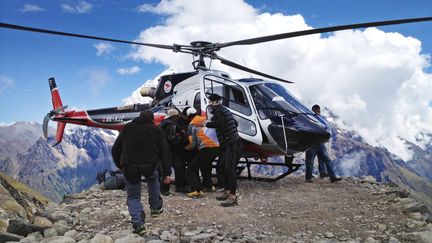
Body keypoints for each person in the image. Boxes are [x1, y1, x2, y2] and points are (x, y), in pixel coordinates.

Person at [111, 110, 171, 236]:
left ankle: (138, 224)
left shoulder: (127, 127)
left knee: (133, 196)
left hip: (130, 166)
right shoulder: (156, 130)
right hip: (150, 165)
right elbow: (164, 152)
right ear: (151, 119)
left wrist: (119, 165)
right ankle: (155, 208)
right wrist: (166, 173)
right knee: (153, 179)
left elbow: (115, 148)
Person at [204, 93, 243, 207]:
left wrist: (208, 124)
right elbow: (234, 123)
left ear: (214, 102)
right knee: (221, 166)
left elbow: (220, 123)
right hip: (228, 143)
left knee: (229, 168)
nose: (209, 104)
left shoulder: (219, 111)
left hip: (231, 143)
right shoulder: (224, 110)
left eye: (210, 102)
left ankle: (233, 196)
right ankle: (227, 190)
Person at [184, 108, 219, 198]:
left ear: (188, 116)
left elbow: (193, 144)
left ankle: (197, 190)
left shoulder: (191, 126)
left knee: (190, 169)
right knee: (205, 166)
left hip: (206, 148)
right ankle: (209, 186)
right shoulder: (205, 120)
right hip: (216, 148)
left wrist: (185, 148)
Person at [305, 104, 341, 183]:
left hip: (320, 144)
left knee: (327, 160)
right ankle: (308, 178)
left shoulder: (320, 119)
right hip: (312, 144)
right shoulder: (309, 119)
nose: (319, 111)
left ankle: (332, 177)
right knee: (310, 162)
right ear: (314, 110)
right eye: (317, 110)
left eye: (319, 110)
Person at [159, 108, 189, 193]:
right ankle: (180, 187)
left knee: (165, 169)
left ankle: (164, 188)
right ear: (174, 116)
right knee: (179, 166)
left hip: (162, 149)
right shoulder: (172, 125)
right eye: (177, 116)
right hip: (171, 149)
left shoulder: (162, 124)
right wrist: (182, 137)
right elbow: (172, 138)